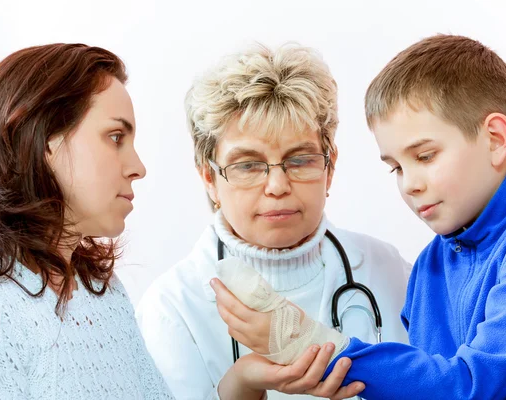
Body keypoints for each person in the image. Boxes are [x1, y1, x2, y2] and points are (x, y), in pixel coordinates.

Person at [211, 34, 506, 399]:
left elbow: (467, 388)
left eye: (425, 156)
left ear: (494, 138)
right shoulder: (431, 265)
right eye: (395, 167)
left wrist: (307, 342)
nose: (409, 184)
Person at [136, 42, 411, 400]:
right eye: (248, 165)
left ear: (330, 166)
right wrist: (240, 388)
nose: (278, 186)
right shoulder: (171, 308)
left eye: (299, 160)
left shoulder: (390, 272)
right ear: (208, 177)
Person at [0, 43, 174, 399]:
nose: (138, 167)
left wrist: (241, 387)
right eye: (116, 137)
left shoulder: (101, 290)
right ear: (45, 140)